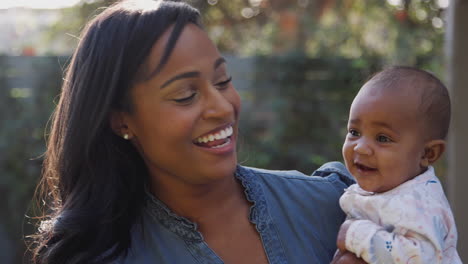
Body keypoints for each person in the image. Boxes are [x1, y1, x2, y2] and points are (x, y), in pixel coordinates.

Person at [30, 1, 361, 263]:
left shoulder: (334, 207)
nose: (221, 107)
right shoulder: (102, 257)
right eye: (185, 95)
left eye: (223, 82)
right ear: (121, 121)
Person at [336, 66, 462, 263]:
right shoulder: (389, 187)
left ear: (428, 153)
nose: (360, 148)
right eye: (354, 132)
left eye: (383, 138)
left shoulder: (420, 204)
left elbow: (419, 257)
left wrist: (355, 235)